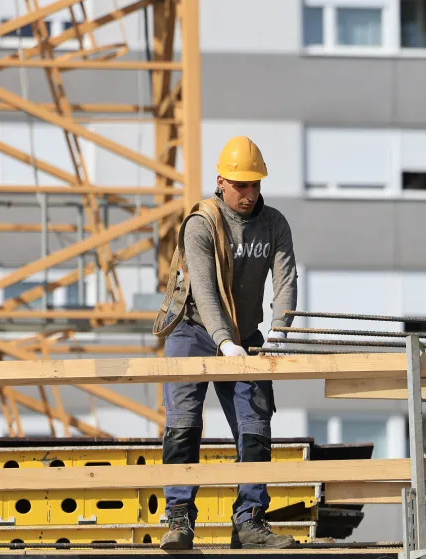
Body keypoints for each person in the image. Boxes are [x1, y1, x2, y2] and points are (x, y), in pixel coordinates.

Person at [151, 135, 298, 550]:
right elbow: (206, 289)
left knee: (256, 427)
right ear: (221, 181)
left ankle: (249, 522)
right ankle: (179, 521)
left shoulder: (275, 224)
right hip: (193, 332)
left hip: (246, 335)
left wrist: (281, 332)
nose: (249, 194)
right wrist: (223, 341)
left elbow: (286, 281)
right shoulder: (201, 223)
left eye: (254, 185)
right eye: (240, 185)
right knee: (183, 424)